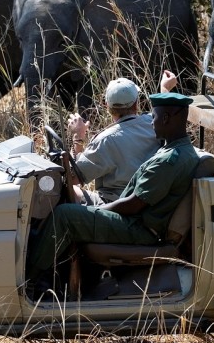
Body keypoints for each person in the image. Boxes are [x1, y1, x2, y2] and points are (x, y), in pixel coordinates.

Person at [27, 92, 200, 290]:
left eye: (154, 117)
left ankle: (29, 281)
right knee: (73, 208)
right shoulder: (175, 148)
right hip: (138, 220)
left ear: (167, 118)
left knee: (65, 215)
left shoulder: (170, 160)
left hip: (140, 228)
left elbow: (133, 205)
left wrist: (97, 211)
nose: (151, 123)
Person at [67, 71, 178, 204]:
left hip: (117, 206)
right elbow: (162, 112)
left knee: (69, 190)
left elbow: (73, 178)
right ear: (137, 104)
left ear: (107, 106)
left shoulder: (105, 140)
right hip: (151, 202)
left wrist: (78, 137)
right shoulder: (154, 124)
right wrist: (165, 89)